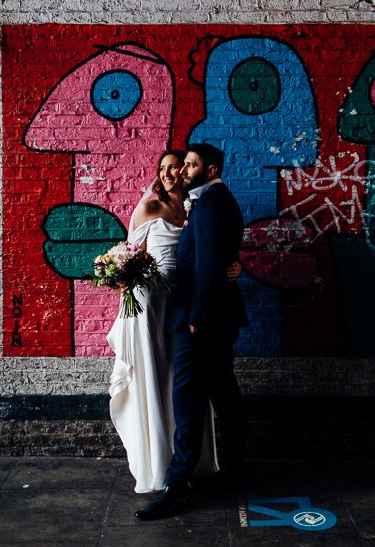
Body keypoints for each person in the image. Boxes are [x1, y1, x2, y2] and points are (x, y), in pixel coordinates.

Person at [135, 143, 248, 521]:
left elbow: (210, 264)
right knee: (223, 393)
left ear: (210, 169)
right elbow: (217, 255)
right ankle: (235, 471)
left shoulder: (212, 202)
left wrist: (196, 315)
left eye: (191, 164)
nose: (184, 169)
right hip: (214, 317)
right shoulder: (208, 201)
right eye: (182, 163)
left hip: (200, 319)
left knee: (186, 399)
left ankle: (178, 486)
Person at [106, 150, 219, 493]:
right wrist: (121, 276)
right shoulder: (149, 208)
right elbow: (129, 254)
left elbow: (213, 250)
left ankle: (188, 461)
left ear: (186, 173)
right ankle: (157, 463)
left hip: (182, 300)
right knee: (154, 374)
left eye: (175, 167)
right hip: (150, 301)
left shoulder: (194, 209)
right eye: (163, 168)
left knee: (180, 375)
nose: (169, 173)